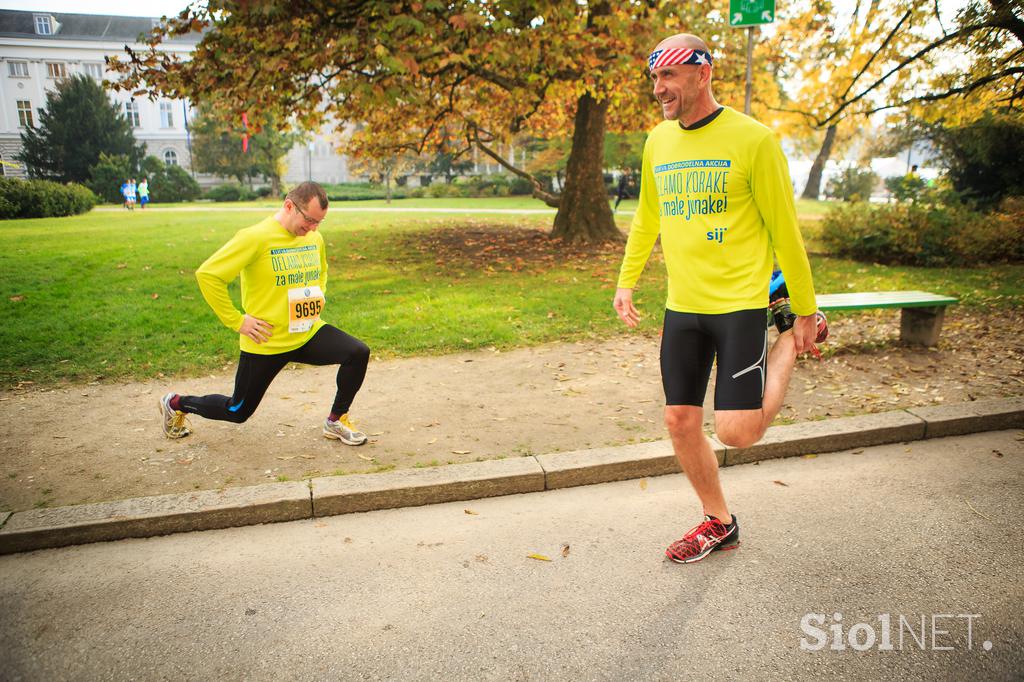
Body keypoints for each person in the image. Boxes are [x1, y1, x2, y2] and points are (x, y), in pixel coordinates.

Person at [612, 33, 828, 564]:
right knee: (679, 421)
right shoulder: (659, 141)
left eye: (669, 76)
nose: (659, 88)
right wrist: (626, 280)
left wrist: (804, 311)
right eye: (654, 78)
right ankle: (720, 522)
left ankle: (785, 350)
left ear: (702, 73)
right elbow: (648, 218)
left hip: (739, 307)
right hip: (684, 307)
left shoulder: (754, 140)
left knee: (737, 432)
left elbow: (785, 232)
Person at [159, 181, 370, 446]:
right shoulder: (255, 237)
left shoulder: (313, 238)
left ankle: (335, 421)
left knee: (358, 352)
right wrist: (237, 321)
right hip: (266, 341)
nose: (313, 229)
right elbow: (208, 275)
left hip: (306, 333)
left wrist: (319, 293)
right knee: (237, 411)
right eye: (309, 221)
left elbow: (323, 270)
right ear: (289, 206)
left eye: (319, 222)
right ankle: (176, 403)